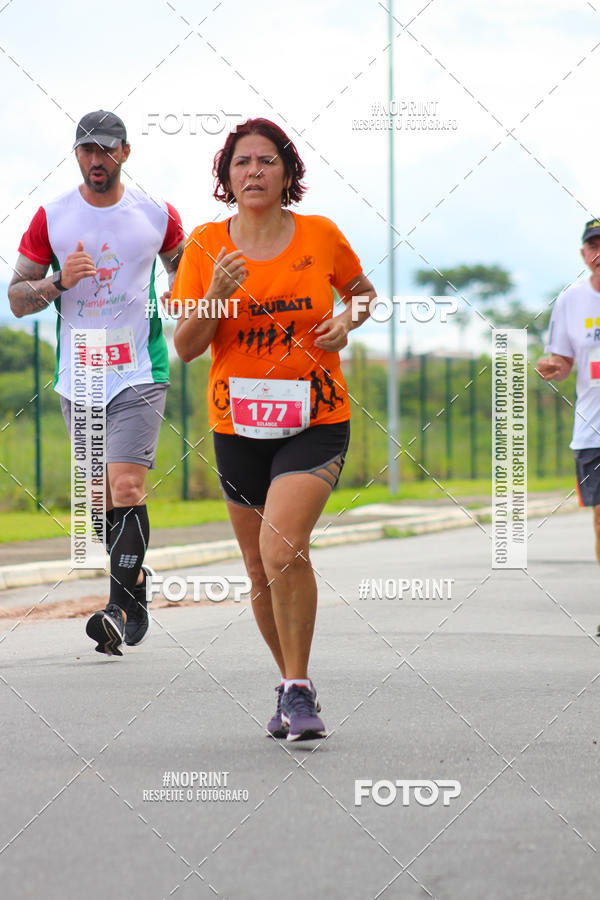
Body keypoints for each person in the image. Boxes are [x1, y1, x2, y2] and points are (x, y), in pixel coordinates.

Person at [172, 117, 375, 741]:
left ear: (287, 173)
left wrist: (348, 321)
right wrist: (216, 296)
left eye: (265, 161)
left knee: (282, 547)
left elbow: (364, 293)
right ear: (226, 177)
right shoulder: (206, 247)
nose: (253, 172)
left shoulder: (320, 234)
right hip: (238, 422)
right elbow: (185, 346)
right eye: (241, 163)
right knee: (259, 570)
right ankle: (291, 685)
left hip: (316, 417)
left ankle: (299, 687)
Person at [8, 110, 184, 656]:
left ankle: (115, 609)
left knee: (126, 486)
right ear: (76, 155)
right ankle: (135, 587)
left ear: (125, 153)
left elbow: (185, 271)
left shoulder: (156, 214)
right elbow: (16, 300)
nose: (95, 160)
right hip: (79, 371)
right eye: (86, 150)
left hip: (139, 368)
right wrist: (60, 281)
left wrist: (188, 295)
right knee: (101, 498)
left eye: (105, 150)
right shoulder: (52, 218)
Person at [538, 218, 600, 632]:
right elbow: (561, 360)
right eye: (593, 245)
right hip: (593, 432)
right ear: (583, 254)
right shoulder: (571, 301)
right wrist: (552, 366)